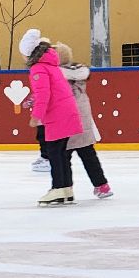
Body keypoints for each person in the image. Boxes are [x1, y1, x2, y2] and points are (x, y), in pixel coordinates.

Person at [19, 28, 83, 206]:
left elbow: (43, 94)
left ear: (29, 53)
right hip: (66, 112)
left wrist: (36, 116)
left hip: (58, 115)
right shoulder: (51, 66)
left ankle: (58, 188)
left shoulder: (38, 69)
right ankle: (66, 190)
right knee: (62, 153)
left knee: (55, 153)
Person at [56, 43, 113, 199]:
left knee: (63, 157)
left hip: (67, 122)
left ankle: (66, 188)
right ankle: (102, 185)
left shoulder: (58, 76)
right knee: (89, 155)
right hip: (84, 122)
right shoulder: (79, 74)